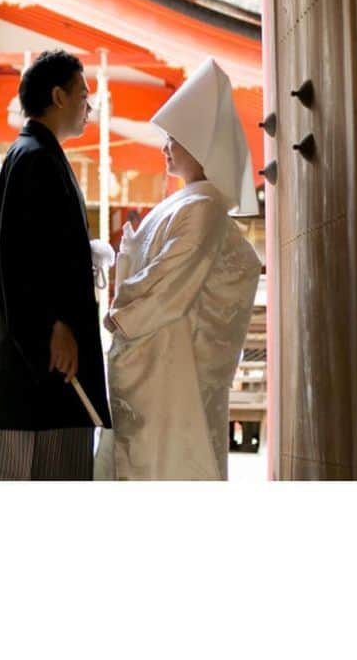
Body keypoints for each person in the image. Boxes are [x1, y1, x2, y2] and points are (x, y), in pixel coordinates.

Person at [96, 57, 261, 481]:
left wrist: (123, 317)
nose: (165, 147)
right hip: (157, 354)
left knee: (169, 462)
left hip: (174, 359)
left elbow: (173, 282)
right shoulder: (188, 203)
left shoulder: (203, 207)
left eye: (173, 138)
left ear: (199, 143)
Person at [0, 49, 112, 480]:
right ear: (58, 96)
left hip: (41, 354)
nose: (90, 106)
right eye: (84, 94)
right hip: (38, 357)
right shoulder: (34, 158)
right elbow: (22, 258)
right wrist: (56, 325)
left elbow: (48, 249)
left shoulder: (35, 154)